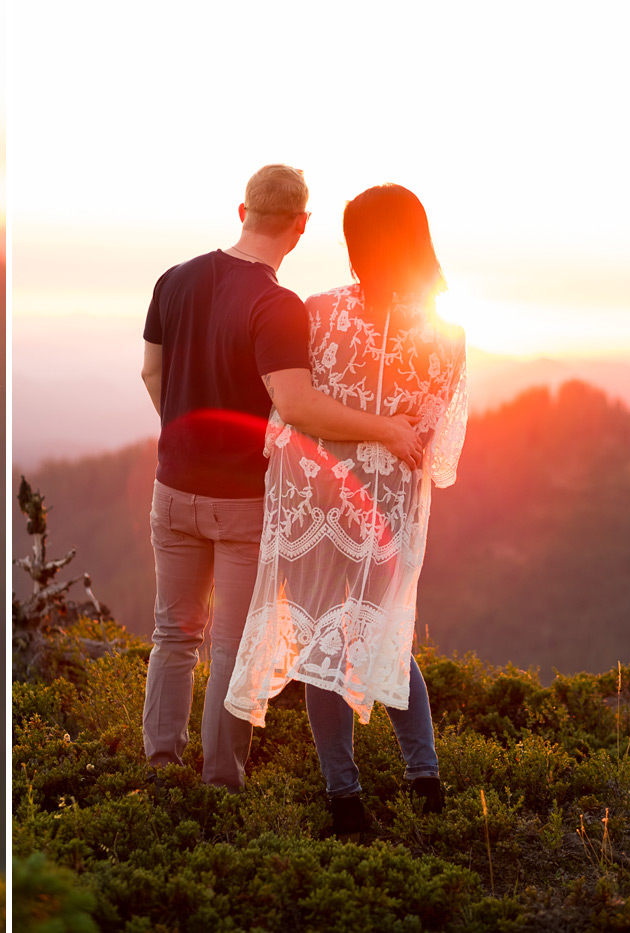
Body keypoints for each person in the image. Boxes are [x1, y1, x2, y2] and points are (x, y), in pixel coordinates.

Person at [140, 165, 424, 789]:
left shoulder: (174, 279)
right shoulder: (276, 305)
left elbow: (151, 373)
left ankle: (161, 771)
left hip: (170, 489)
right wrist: (386, 428)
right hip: (241, 498)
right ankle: (220, 785)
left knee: (172, 634)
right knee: (230, 649)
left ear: (242, 212)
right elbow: (296, 406)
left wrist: (185, 434)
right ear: (300, 227)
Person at [224, 184, 466, 839]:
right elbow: (435, 448)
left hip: (316, 498)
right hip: (388, 510)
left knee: (320, 638)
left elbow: (291, 404)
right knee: (386, 634)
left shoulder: (317, 312)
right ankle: (426, 779)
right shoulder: (448, 336)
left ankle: (346, 799)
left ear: (358, 244)